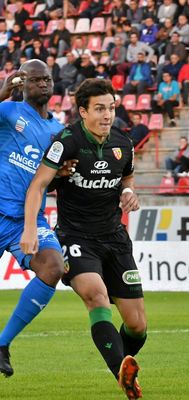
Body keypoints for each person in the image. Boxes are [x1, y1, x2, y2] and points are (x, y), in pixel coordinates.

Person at [20, 79, 146, 400]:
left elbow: (126, 176)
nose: (107, 115)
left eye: (112, 108)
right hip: (75, 236)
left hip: (115, 237)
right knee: (96, 296)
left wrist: (129, 190)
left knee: (137, 327)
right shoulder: (66, 142)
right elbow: (37, 185)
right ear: (83, 111)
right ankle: (122, 372)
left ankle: (124, 363)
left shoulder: (123, 143)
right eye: (100, 109)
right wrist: (31, 228)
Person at [0, 60, 67, 377]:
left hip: (25, 218)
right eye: (36, 78)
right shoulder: (10, 111)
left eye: (47, 78)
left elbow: (51, 181)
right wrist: (2, 92)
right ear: (22, 83)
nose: (43, 83)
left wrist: (62, 175)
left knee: (54, 267)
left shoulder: (59, 132)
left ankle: (2, 344)